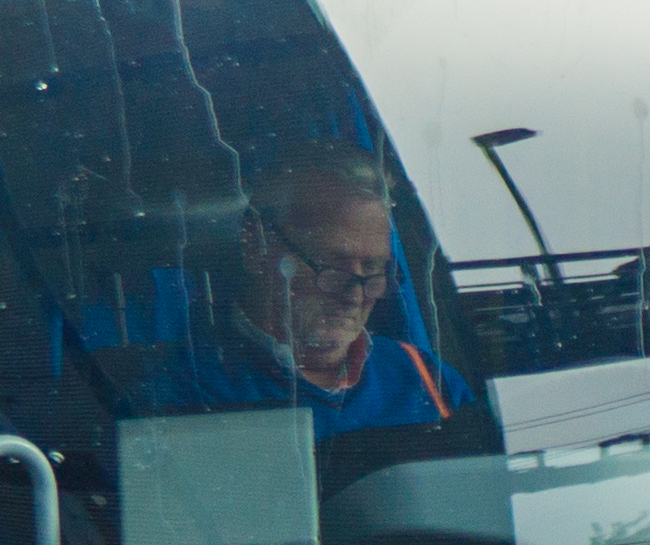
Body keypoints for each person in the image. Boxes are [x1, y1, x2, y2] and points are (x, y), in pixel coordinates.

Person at [135, 141, 458, 434]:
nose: (355, 295)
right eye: (331, 266)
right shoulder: (181, 396)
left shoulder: (428, 380)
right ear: (256, 246)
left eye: (372, 269)